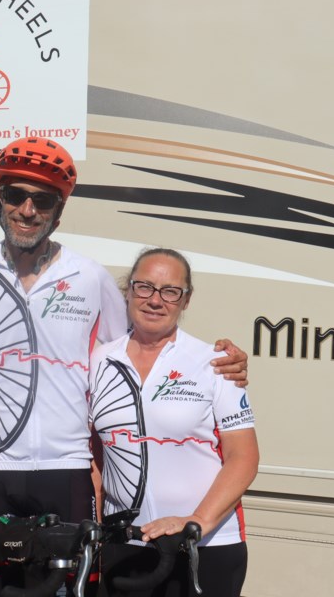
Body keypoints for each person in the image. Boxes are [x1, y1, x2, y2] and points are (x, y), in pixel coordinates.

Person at [0, 137, 249, 596]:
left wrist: (220, 364)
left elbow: (132, 353)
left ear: (59, 210)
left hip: (69, 469)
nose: (28, 210)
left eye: (44, 200)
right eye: (15, 195)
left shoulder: (90, 279)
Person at [90, 248, 259, 597]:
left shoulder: (215, 363)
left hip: (205, 546)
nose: (155, 300)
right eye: (144, 287)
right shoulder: (98, 361)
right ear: (129, 290)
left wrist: (195, 522)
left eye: (170, 291)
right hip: (126, 544)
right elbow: (93, 454)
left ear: (186, 300)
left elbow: (244, 457)